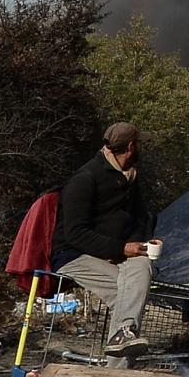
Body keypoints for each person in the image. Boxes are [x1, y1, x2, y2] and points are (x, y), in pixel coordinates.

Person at [56, 121, 155, 356]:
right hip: (74, 254)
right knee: (129, 292)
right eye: (140, 144)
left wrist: (142, 243)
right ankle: (118, 367)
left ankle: (123, 336)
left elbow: (141, 217)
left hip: (114, 252)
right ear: (131, 146)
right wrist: (117, 248)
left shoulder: (129, 177)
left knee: (142, 266)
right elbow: (75, 233)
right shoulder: (85, 179)